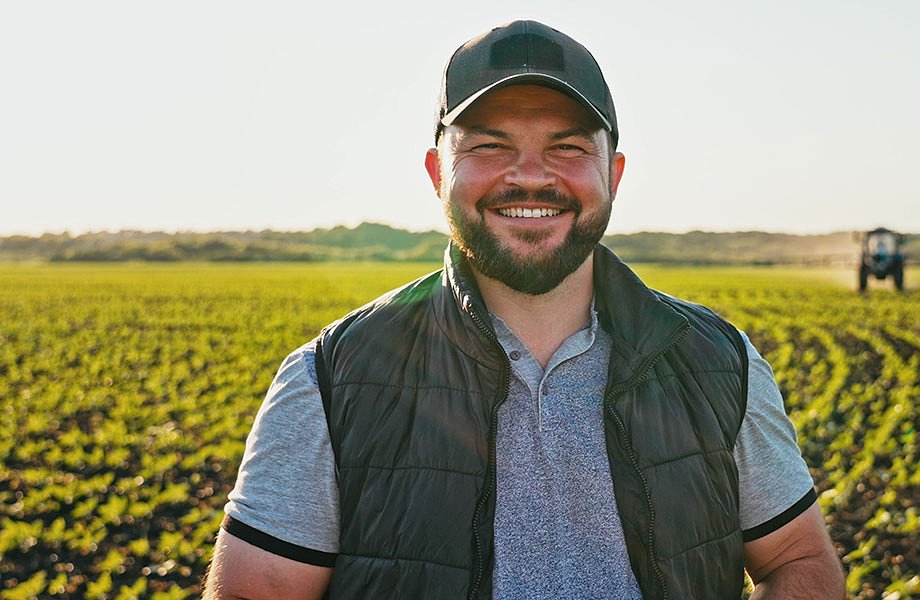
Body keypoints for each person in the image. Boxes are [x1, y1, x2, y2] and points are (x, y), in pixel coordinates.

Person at [202, 19, 843, 599]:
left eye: (567, 148)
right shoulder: (332, 376)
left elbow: (799, 560)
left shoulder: (718, 361)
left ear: (614, 174)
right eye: (489, 146)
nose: (530, 176)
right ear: (437, 173)